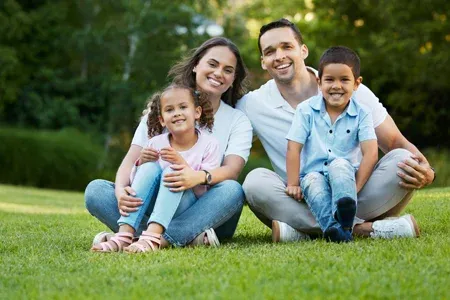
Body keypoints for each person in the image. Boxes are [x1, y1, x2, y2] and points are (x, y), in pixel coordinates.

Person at [237, 19, 434, 242]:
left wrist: (427, 170)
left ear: (303, 50)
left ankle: (304, 231)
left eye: (287, 47)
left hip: (356, 193)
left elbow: (394, 141)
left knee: (404, 159)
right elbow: (219, 133)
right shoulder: (253, 104)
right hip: (301, 198)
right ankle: (365, 229)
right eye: (270, 51)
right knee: (254, 183)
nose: (279, 56)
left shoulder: (349, 88)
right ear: (263, 62)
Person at [85, 37, 253, 248]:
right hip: (155, 200)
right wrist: (120, 191)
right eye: (212, 64)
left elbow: (231, 170)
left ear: (233, 78)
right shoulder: (162, 111)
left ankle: (149, 236)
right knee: (96, 191)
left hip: (204, 208)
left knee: (232, 190)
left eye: (228, 70)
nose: (219, 73)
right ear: (195, 65)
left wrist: (195, 177)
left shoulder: (238, 120)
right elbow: (130, 162)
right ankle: (177, 238)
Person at [91, 85, 221, 253]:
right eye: (169, 110)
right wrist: (140, 163)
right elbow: (140, 184)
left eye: (183, 107)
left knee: (173, 172)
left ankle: (152, 237)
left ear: (197, 112)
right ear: (162, 119)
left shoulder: (209, 145)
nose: (177, 113)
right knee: (149, 167)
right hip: (155, 206)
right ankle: (124, 235)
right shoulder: (155, 143)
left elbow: (205, 191)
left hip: (186, 209)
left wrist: (182, 166)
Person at [285, 46, 378, 243]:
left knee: (340, 164)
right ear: (319, 82)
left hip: (344, 177)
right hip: (313, 173)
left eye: (344, 80)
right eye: (329, 80)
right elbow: (294, 147)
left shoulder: (363, 113)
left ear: (356, 84)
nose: (336, 86)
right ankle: (335, 229)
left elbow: (370, 153)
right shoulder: (306, 110)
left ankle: (345, 210)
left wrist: (355, 188)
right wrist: (293, 183)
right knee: (313, 183)